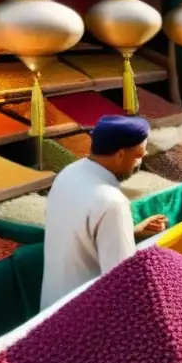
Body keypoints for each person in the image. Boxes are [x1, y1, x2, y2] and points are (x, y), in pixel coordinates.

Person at [41, 116, 167, 309]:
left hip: (52, 308)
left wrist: (130, 232)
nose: (142, 159)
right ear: (120, 155)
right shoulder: (112, 202)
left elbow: (79, 237)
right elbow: (122, 282)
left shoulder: (67, 174)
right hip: (85, 317)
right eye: (140, 154)